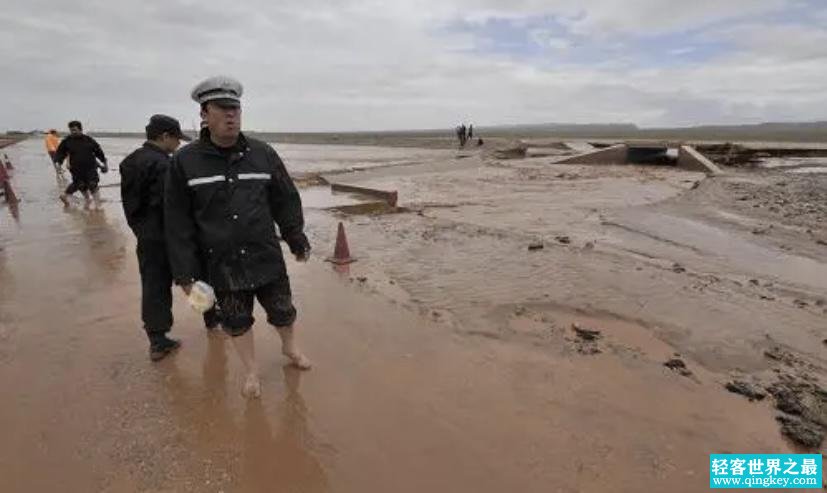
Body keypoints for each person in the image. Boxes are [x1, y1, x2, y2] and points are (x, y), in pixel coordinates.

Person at [165, 76, 312, 398]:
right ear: (204, 114)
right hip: (221, 265)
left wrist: (295, 235)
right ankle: (251, 371)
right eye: (223, 108)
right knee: (236, 321)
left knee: (283, 310)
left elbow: (285, 198)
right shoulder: (184, 162)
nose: (232, 115)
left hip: (265, 255)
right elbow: (177, 223)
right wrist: (185, 274)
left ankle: (290, 348)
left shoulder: (263, 154)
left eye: (236, 108)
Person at [120, 115, 192, 361]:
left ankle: (157, 340)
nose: (179, 145)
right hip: (169, 236)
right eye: (177, 139)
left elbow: (131, 204)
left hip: (146, 236)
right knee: (194, 277)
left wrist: (140, 230)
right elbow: (173, 206)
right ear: (164, 137)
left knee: (154, 287)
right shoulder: (165, 165)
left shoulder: (130, 161)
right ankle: (214, 319)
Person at [53, 121, 108, 208]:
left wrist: (104, 163)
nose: (73, 132)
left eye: (75, 130)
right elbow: (60, 153)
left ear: (80, 129)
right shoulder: (67, 141)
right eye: (71, 130)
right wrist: (59, 164)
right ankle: (87, 201)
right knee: (80, 184)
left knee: (92, 184)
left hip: (90, 168)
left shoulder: (88, 140)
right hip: (76, 169)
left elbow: (99, 152)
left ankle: (98, 206)